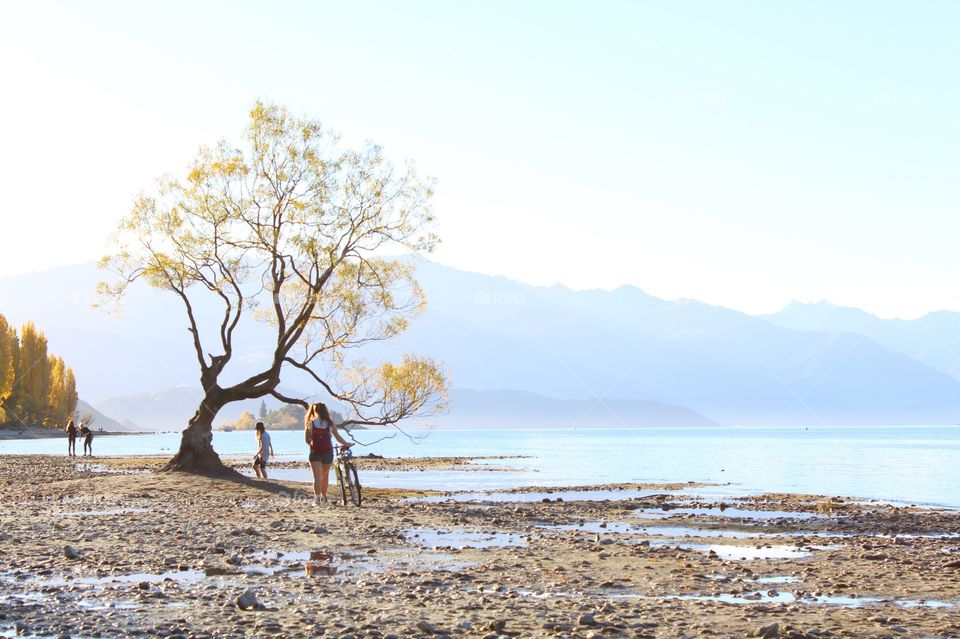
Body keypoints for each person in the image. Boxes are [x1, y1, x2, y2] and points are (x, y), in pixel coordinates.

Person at [304, 402, 351, 505]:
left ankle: (316, 500)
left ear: (315, 410)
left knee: (317, 477)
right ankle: (324, 497)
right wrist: (347, 444)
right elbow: (338, 437)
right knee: (325, 476)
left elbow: (306, 440)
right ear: (325, 410)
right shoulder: (330, 423)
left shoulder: (310, 423)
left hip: (315, 452)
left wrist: (313, 444)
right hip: (328, 452)